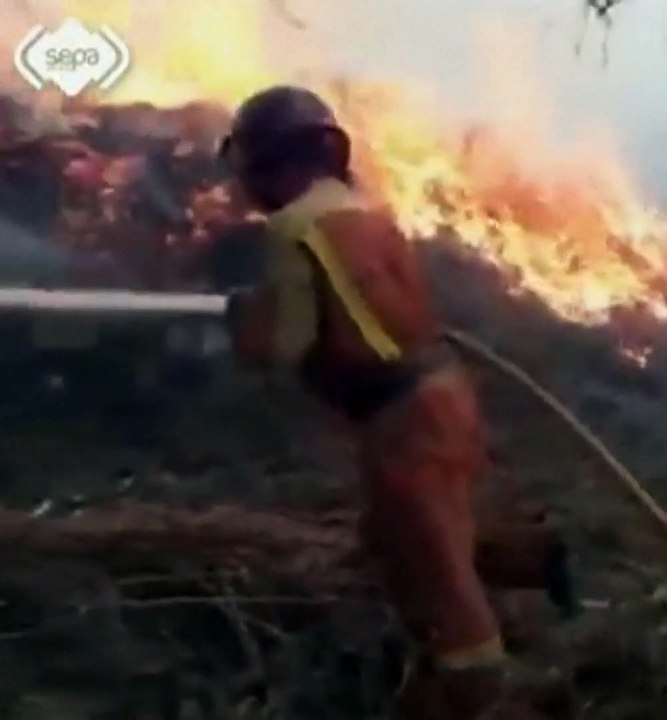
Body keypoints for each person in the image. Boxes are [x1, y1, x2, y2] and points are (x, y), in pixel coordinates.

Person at [220, 85, 566, 720]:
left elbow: (290, 344)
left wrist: (249, 322)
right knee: (401, 537)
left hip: (402, 420)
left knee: (436, 569)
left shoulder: (295, 227)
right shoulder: (370, 215)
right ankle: (533, 560)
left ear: (268, 163)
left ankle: (481, 693)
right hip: (446, 396)